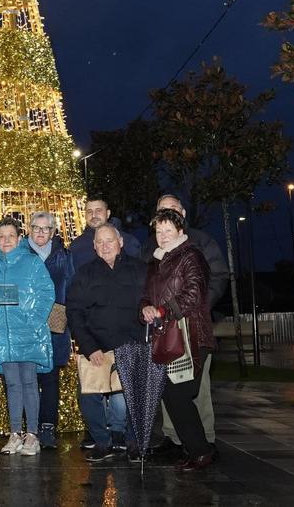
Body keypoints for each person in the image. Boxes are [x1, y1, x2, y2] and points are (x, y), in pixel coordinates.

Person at [140, 208, 217, 471]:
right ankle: (195, 450)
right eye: (158, 232)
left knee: (180, 394)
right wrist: (146, 309)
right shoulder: (156, 261)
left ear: (180, 232)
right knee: (172, 395)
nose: (162, 236)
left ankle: (201, 451)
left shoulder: (191, 256)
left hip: (192, 335)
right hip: (167, 337)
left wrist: (163, 310)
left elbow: (194, 294)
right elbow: (146, 296)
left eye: (168, 231)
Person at [151, 194, 228, 453]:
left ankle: (204, 440)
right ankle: (174, 438)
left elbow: (213, 277)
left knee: (195, 388)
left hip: (192, 328)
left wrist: (200, 307)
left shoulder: (199, 244)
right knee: (170, 388)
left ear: (182, 214)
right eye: (162, 212)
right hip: (166, 331)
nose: (167, 217)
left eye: (172, 210)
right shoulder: (154, 250)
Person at [66, 223, 144, 462]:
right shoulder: (85, 274)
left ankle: (133, 442)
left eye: (109, 240)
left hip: (131, 345)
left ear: (120, 242)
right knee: (89, 397)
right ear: (94, 247)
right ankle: (102, 441)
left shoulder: (141, 270)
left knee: (135, 397)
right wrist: (90, 348)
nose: (105, 246)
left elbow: (149, 302)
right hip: (96, 348)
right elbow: (75, 312)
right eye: (99, 242)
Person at [0, 218, 54, 456]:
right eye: (2, 236)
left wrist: (34, 320)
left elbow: (47, 292)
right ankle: (15, 433)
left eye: (11, 236)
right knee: (12, 384)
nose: (6, 241)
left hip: (28, 333)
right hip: (3, 336)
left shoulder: (32, 263)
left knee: (29, 382)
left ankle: (32, 435)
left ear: (19, 238)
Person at [26, 211, 75, 449]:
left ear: (53, 232)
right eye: (36, 227)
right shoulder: (20, 254)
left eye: (46, 229)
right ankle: (29, 428)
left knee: (50, 378)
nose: (41, 232)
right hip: (25, 326)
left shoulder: (64, 256)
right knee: (27, 379)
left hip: (55, 326)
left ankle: (47, 427)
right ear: (29, 229)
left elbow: (72, 287)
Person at [71, 198, 141, 270]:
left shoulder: (129, 242)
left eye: (98, 210)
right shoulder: (76, 246)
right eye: (89, 211)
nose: (94, 215)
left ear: (108, 214)